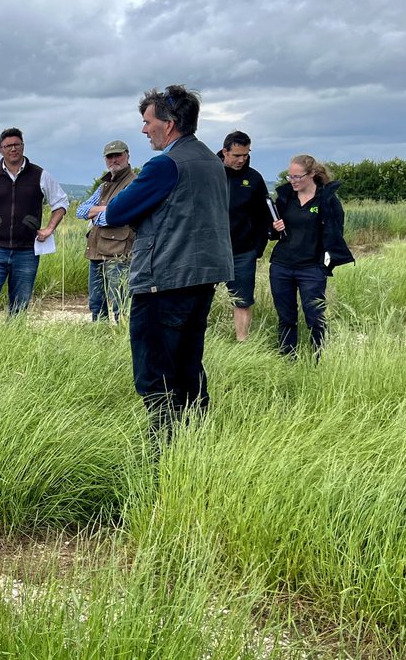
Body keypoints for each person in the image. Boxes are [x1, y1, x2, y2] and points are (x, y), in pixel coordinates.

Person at [91, 85, 233, 439]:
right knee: (188, 361)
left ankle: (163, 443)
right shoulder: (211, 161)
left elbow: (119, 210)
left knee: (154, 369)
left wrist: (102, 214)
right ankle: (195, 438)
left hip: (164, 277)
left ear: (169, 124)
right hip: (202, 276)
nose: (143, 130)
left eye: (147, 121)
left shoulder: (165, 165)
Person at [0, 128, 68, 318]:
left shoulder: (40, 175)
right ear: (1, 150)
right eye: (8, 146)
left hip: (26, 252)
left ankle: (13, 343)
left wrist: (49, 228)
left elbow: (61, 202)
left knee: (20, 306)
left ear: (23, 146)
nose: (13, 149)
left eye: (16, 144)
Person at [269, 154, 354, 358]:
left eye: (298, 177)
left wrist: (327, 262)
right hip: (282, 265)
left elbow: (335, 233)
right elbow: (271, 232)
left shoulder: (327, 200)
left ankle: (318, 357)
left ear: (312, 174)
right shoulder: (284, 198)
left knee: (315, 316)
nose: (293, 181)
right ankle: (288, 357)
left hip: (312, 268)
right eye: (290, 177)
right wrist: (274, 228)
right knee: (286, 317)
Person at [219, 131, 273, 341]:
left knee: (242, 300)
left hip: (243, 251)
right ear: (225, 151)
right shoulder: (210, 172)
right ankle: (200, 341)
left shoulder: (254, 179)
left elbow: (264, 215)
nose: (242, 159)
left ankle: (242, 342)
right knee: (200, 298)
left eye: (246, 154)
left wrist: (257, 248)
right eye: (237, 155)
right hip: (211, 251)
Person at [75, 140, 138, 322]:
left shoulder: (134, 183)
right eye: (109, 157)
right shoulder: (104, 186)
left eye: (118, 155)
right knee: (96, 303)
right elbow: (81, 211)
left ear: (127, 156)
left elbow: (119, 215)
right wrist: (106, 209)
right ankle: (99, 338)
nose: (114, 160)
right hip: (96, 251)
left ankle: (122, 341)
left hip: (119, 253)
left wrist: (99, 212)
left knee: (121, 302)